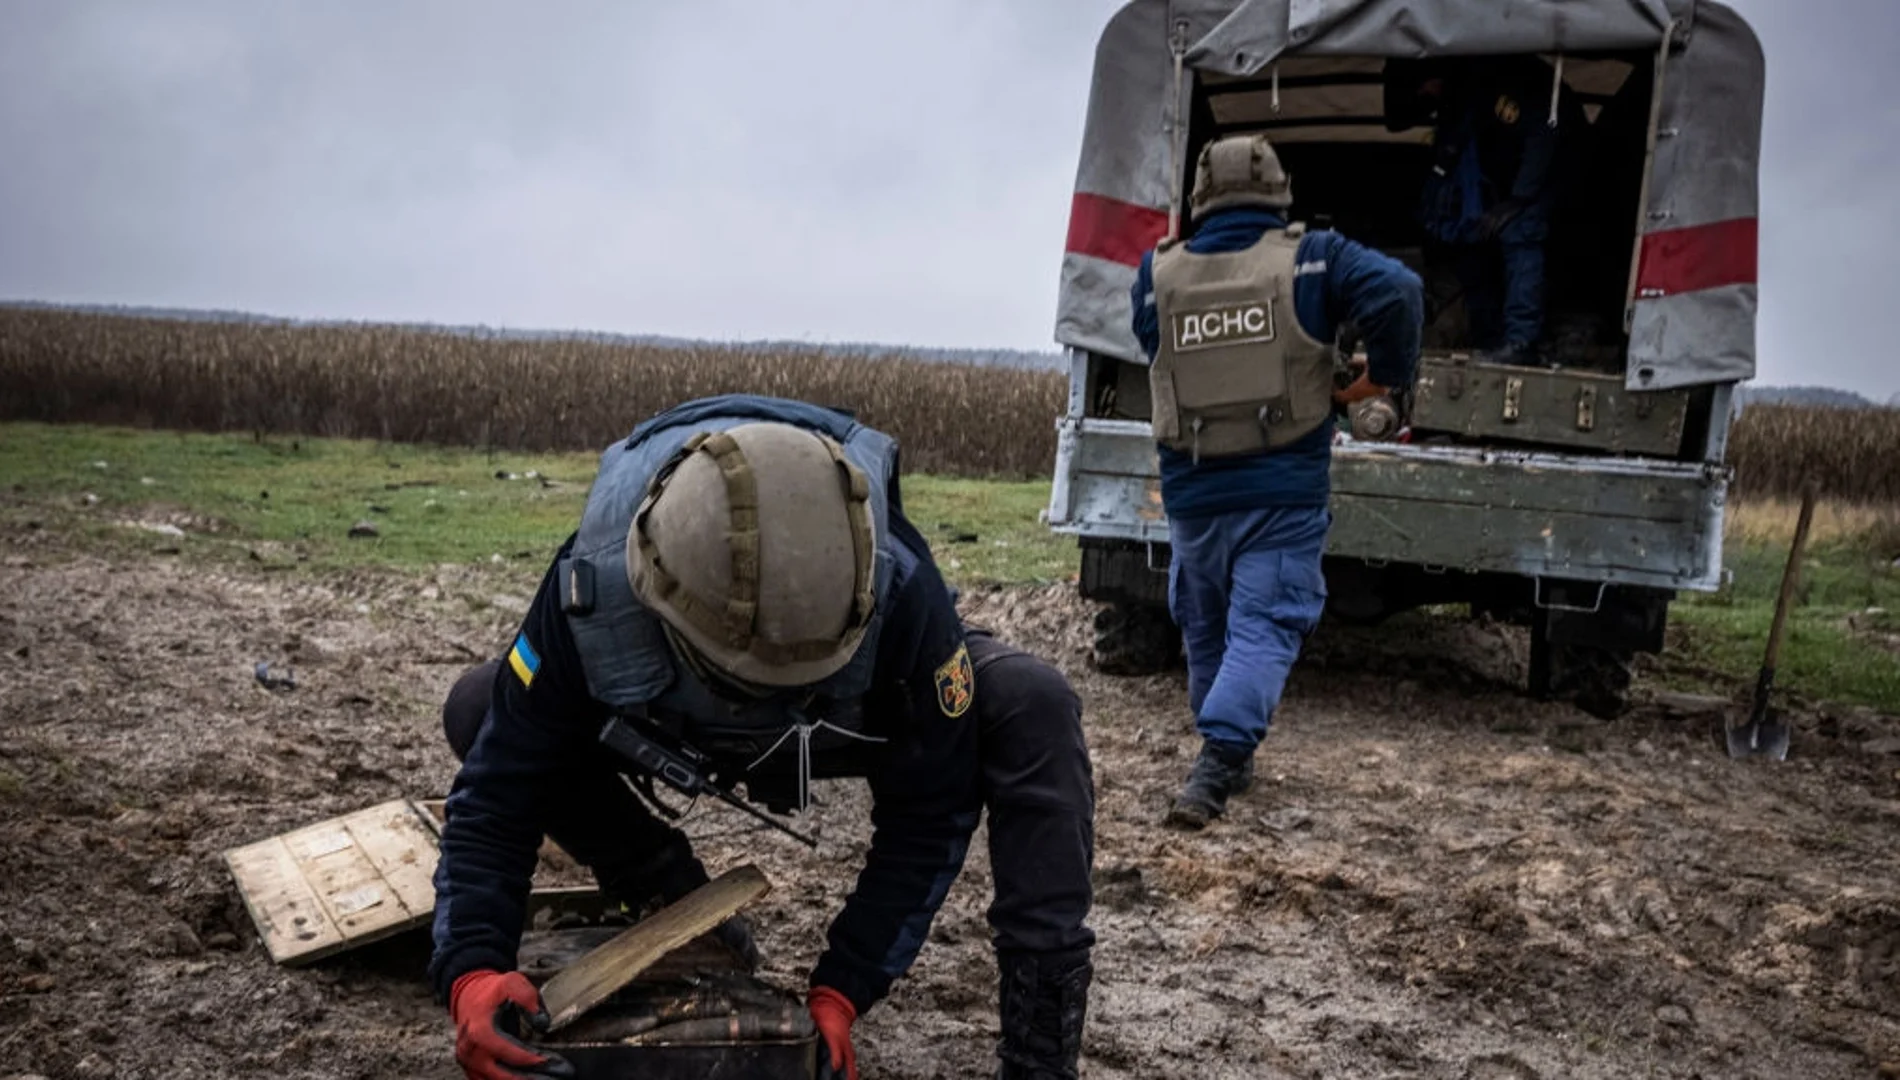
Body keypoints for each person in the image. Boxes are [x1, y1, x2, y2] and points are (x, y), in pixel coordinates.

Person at [430, 394, 1096, 1080]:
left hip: (842, 723)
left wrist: (845, 987)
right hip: (664, 715)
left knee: (1031, 702)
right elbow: (497, 793)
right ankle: (669, 895)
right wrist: (473, 970)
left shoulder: (902, 585)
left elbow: (930, 814)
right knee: (483, 706)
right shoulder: (589, 587)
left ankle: (1040, 1057)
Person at [1129, 133, 1423, 829]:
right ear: (1278, 192)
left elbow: (1155, 347)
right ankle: (1218, 763)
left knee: (1207, 622)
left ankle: (1224, 742)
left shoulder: (1157, 272)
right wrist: (1381, 377)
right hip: (1283, 486)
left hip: (1194, 491)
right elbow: (1401, 292)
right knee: (1263, 622)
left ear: (1200, 201)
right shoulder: (1316, 258)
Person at [1416, 57, 1584, 366]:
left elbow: (1544, 134)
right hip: (1513, 171)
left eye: (1428, 86)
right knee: (1471, 234)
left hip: (1556, 163)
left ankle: (1521, 342)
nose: (1428, 95)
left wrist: (1518, 200)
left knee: (1520, 233)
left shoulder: (1498, 86)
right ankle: (1490, 336)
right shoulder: (1467, 93)